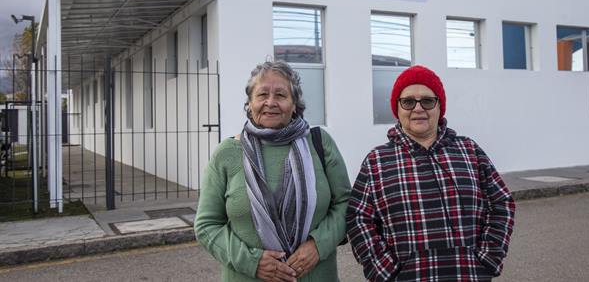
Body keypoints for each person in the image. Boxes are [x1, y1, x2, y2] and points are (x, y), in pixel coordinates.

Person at [347, 65, 515, 282]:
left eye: (427, 101)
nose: (418, 108)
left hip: (469, 276)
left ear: (439, 107)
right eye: (408, 101)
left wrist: (488, 257)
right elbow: (357, 218)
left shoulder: (470, 151)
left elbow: (502, 203)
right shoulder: (376, 161)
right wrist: (382, 269)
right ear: (397, 108)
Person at [195, 61, 351, 282]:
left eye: (280, 95)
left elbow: (345, 203)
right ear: (249, 103)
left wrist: (319, 245)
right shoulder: (227, 153)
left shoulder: (319, 143)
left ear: (294, 104)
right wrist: (252, 261)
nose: (271, 102)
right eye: (262, 95)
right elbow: (206, 224)